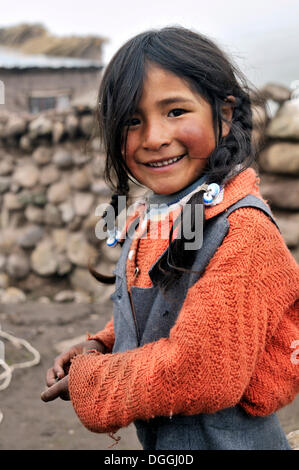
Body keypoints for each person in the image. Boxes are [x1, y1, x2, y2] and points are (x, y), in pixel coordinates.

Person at [41, 26, 299, 450]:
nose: (155, 138)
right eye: (132, 121)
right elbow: (167, 305)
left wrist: (94, 380)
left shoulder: (243, 233)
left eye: (176, 111)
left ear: (225, 113)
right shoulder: (153, 213)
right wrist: (104, 344)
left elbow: (201, 369)